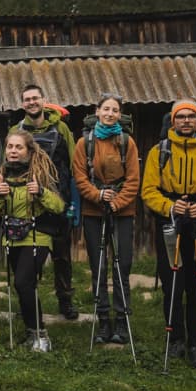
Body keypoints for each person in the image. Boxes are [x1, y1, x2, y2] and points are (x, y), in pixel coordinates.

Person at [141, 98, 196, 371]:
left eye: (192, 116)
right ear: (173, 120)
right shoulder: (160, 150)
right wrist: (170, 206)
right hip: (170, 220)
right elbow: (149, 190)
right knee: (172, 281)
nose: (187, 121)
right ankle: (176, 337)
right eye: (181, 117)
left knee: (195, 282)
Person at [0, 129, 64, 351]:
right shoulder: (2, 177)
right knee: (24, 286)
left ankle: (42, 336)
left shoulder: (40, 174)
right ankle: (32, 333)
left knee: (23, 282)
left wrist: (40, 193)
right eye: (10, 146)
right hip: (12, 239)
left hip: (37, 236)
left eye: (18, 147)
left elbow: (59, 206)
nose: (13, 151)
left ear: (29, 152)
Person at [72, 94, 140, 345]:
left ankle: (121, 320)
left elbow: (133, 180)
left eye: (115, 110)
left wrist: (116, 202)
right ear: (97, 111)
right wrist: (98, 196)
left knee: (121, 266)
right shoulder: (84, 143)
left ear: (120, 114)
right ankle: (103, 320)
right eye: (106, 109)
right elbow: (79, 178)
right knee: (98, 267)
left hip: (123, 213)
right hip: (93, 211)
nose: (110, 114)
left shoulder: (127, 142)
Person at [17, 84, 78, 320]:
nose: (31, 102)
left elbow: (74, 163)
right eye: (27, 99)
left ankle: (66, 300)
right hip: (28, 201)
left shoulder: (61, 128)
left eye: (35, 98)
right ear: (23, 104)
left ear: (43, 100)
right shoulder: (17, 129)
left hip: (57, 197)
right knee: (28, 254)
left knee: (62, 253)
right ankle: (30, 303)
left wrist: (71, 201)